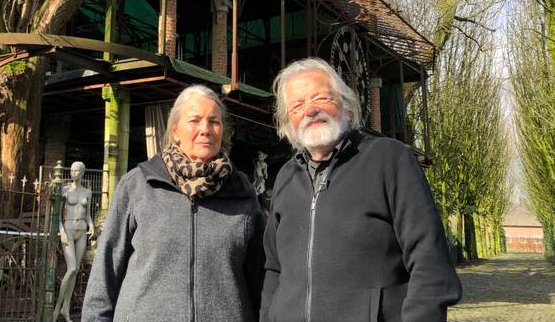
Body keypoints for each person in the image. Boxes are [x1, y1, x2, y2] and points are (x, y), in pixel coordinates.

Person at [261, 58, 461, 322]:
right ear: (288, 123)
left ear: (345, 105)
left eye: (321, 97)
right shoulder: (286, 176)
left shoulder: (390, 159)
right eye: (297, 105)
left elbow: (429, 259)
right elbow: (274, 269)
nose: (310, 110)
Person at [82, 85, 264, 322]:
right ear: (175, 130)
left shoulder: (241, 190)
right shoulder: (138, 184)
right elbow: (105, 269)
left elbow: (258, 275)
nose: (205, 129)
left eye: (214, 121)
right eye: (195, 120)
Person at [52, 161, 94, 322]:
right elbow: (56, 215)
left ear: (82, 172)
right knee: (72, 269)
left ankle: (65, 309)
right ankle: (57, 309)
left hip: (82, 231)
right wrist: (61, 230)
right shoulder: (64, 190)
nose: (74, 173)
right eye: (72, 170)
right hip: (68, 230)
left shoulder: (88, 193)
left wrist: (91, 226)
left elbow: (88, 214)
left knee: (75, 272)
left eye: (77, 171)